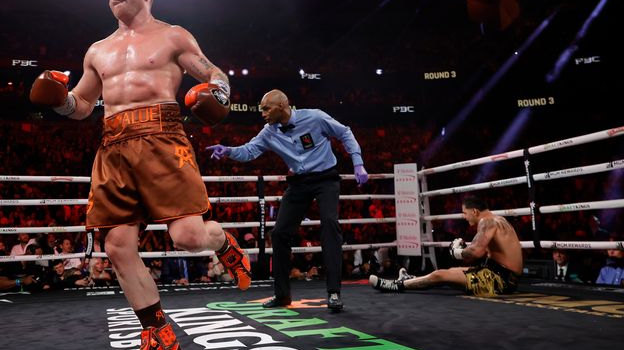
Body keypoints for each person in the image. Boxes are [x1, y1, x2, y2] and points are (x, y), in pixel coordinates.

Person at [28, 0, 250, 350]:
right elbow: (81, 106)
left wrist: (219, 91)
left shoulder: (173, 35)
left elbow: (214, 73)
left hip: (163, 139)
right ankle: (161, 340)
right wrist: (57, 99)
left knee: (187, 237)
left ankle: (220, 241)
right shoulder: (97, 50)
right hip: (113, 145)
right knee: (116, 246)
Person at [207, 89, 369, 311]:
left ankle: (333, 292)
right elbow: (249, 151)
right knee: (280, 233)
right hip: (299, 182)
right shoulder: (268, 132)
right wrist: (227, 151)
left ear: (282, 106)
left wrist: (357, 162)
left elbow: (345, 132)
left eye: (266, 108)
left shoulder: (315, 117)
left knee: (330, 225)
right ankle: (282, 295)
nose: (262, 113)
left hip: (325, 178)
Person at [370, 195, 523, 297]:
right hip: (500, 274)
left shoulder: (487, 222)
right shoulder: (498, 219)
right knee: (449, 272)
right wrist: (462, 250)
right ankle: (410, 279)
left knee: (440, 275)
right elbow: (480, 252)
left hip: (499, 280)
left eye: (465, 213)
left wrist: (456, 252)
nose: (464, 217)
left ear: (475, 211)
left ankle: (397, 285)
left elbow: (476, 252)